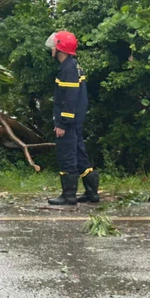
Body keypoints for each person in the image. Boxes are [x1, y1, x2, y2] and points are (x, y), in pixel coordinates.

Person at [45, 30, 99, 205]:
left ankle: (68, 195)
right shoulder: (72, 66)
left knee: (67, 155)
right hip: (75, 121)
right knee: (79, 153)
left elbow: (69, 99)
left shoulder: (68, 69)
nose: (52, 48)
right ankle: (91, 192)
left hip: (68, 122)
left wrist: (62, 123)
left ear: (60, 48)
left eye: (55, 45)